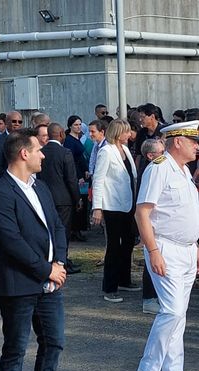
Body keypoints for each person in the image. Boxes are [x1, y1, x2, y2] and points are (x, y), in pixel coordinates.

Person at [0, 130, 67, 371]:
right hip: (18, 284)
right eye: (38, 150)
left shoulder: (39, 187)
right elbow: (11, 242)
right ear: (24, 154)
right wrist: (47, 269)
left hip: (50, 283)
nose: (43, 154)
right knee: (15, 350)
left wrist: (59, 263)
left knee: (53, 343)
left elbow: (56, 226)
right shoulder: (0, 194)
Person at [135, 120, 199, 371]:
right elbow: (142, 213)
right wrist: (153, 251)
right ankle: (148, 369)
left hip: (186, 249)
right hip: (165, 248)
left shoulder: (184, 171)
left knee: (180, 315)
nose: (198, 146)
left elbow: (182, 214)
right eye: (193, 141)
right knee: (172, 311)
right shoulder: (160, 168)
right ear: (177, 141)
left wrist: (195, 246)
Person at [92, 119, 139, 303]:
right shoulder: (106, 151)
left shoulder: (125, 150)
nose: (130, 135)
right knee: (114, 245)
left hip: (128, 204)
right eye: (126, 132)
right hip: (112, 205)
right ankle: (110, 287)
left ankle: (124, 279)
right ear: (118, 132)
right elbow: (98, 179)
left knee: (128, 243)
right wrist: (97, 207)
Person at [38, 123, 81, 275]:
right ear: (62, 134)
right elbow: (71, 179)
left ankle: (50, 259)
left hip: (44, 198)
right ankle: (62, 261)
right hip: (64, 199)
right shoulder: (65, 153)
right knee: (63, 232)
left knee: (48, 230)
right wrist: (77, 199)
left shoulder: (40, 152)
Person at [137, 138, 165, 315]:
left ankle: (154, 296)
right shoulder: (153, 170)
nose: (165, 156)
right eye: (161, 153)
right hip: (152, 224)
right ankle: (148, 299)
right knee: (151, 263)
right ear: (150, 155)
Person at [64, 115, 89, 242]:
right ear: (70, 126)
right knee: (78, 201)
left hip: (82, 174)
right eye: (76, 125)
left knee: (83, 200)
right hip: (77, 176)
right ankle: (75, 229)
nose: (78, 127)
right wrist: (78, 175)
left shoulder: (77, 139)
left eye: (80, 124)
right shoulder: (69, 141)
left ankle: (79, 228)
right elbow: (72, 161)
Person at [0, 111, 24, 179]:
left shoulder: (26, 139)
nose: (17, 124)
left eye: (19, 122)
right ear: (6, 123)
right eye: (14, 121)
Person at [135, 103, 165, 167]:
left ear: (152, 117)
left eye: (143, 117)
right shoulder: (141, 133)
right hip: (144, 167)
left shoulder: (164, 131)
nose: (140, 119)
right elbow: (138, 155)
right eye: (140, 117)